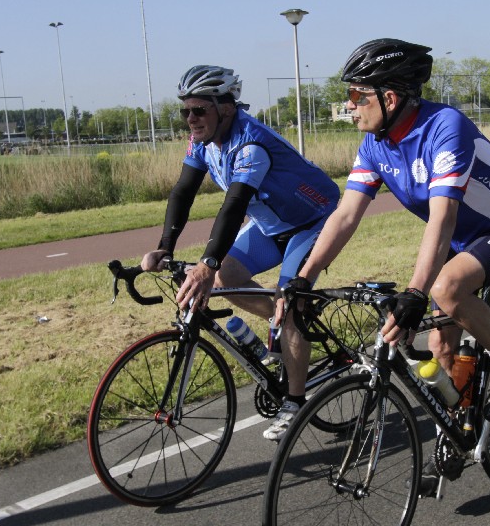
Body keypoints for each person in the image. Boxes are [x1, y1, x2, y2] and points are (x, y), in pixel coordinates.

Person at [280, 37, 490, 444]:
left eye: (356, 95)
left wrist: (415, 292)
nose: (349, 105)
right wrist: (305, 277)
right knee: (440, 346)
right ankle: (461, 432)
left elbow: (442, 219)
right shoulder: (375, 144)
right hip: (461, 239)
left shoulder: (445, 128)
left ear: (389, 98)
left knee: (444, 289)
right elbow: (346, 215)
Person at [139, 65, 341, 441]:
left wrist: (206, 261)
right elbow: (183, 191)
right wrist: (165, 246)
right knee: (225, 278)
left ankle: (295, 402)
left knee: (289, 304)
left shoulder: (251, 145)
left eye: (199, 110)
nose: (191, 119)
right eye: (185, 111)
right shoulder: (201, 141)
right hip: (271, 224)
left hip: (313, 221)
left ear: (227, 108)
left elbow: (233, 206)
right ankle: (281, 328)